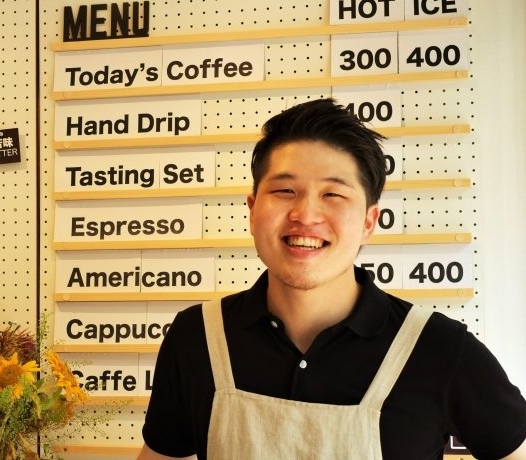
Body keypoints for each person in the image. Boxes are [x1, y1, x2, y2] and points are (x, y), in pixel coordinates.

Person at [137, 98, 526, 459]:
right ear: (253, 211)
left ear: (369, 222)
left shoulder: (438, 348)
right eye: (285, 190)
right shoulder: (197, 337)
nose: (306, 215)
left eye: (333, 195)